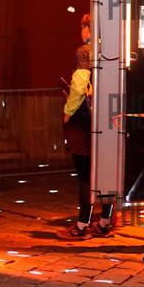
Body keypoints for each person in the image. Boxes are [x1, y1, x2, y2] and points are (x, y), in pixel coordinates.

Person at [57, 14, 114, 239]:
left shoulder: (84, 51)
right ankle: (105, 222)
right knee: (106, 173)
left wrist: (67, 111)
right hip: (108, 120)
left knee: (85, 174)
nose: (81, 31)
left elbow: (80, 86)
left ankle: (82, 225)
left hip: (84, 122)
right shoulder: (111, 52)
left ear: (88, 29)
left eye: (82, 27)